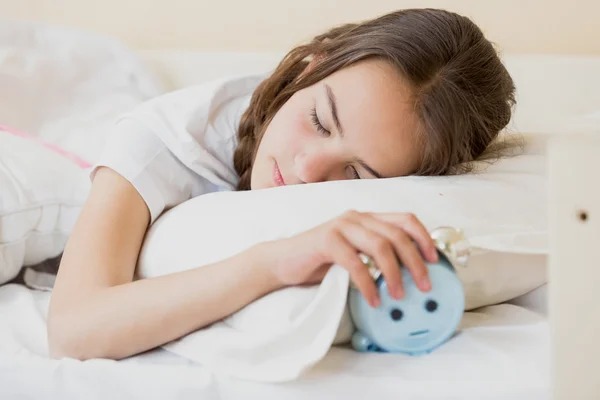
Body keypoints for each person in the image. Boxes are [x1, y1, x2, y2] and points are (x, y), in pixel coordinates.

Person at [47, 8, 516, 360]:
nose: (309, 170)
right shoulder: (162, 140)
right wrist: (271, 264)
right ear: (310, 67)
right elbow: (73, 329)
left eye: (356, 175)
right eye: (318, 120)